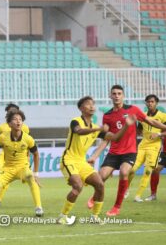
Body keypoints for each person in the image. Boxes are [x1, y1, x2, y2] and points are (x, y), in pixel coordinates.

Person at [87, 85, 166, 216]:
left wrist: (164, 127)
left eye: (119, 93)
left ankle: (116, 207)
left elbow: (149, 121)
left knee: (124, 172)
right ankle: (94, 197)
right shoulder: (107, 116)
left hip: (130, 151)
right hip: (113, 152)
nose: (117, 96)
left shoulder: (133, 109)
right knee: (100, 177)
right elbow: (107, 138)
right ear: (110, 96)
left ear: (123, 96)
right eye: (114, 93)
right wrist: (95, 156)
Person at [58, 96, 136, 224]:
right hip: (69, 160)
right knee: (77, 186)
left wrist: (126, 126)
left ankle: (94, 217)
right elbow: (79, 131)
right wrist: (98, 129)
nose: (92, 106)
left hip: (82, 162)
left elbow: (114, 138)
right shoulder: (75, 121)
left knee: (100, 185)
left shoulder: (95, 127)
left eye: (93, 104)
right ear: (81, 108)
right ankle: (63, 215)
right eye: (88, 104)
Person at [0, 109, 43, 217]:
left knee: (30, 177)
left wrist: (36, 173)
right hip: (7, 169)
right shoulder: (2, 137)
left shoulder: (28, 139)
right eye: (15, 119)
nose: (18, 122)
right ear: (9, 124)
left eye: (20, 119)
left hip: (23, 168)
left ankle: (39, 207)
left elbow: (36, 154)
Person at [126, 95, 166, 202]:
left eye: (152, 102)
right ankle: (126, 189)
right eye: (148, 102)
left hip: (155, 147)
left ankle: (138, 196)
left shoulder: (162, 116)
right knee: (132, 169)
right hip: (142, 146)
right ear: (146, 103)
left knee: (148, 171)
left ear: (156, 103)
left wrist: (158, 134)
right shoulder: (142, 116)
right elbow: (139, 130)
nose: (150, 104)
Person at [146, 133, 166, 201]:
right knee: (156, 170)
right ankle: (153, 194)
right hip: (164, 152)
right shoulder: (162, 122)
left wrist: (159, 134)